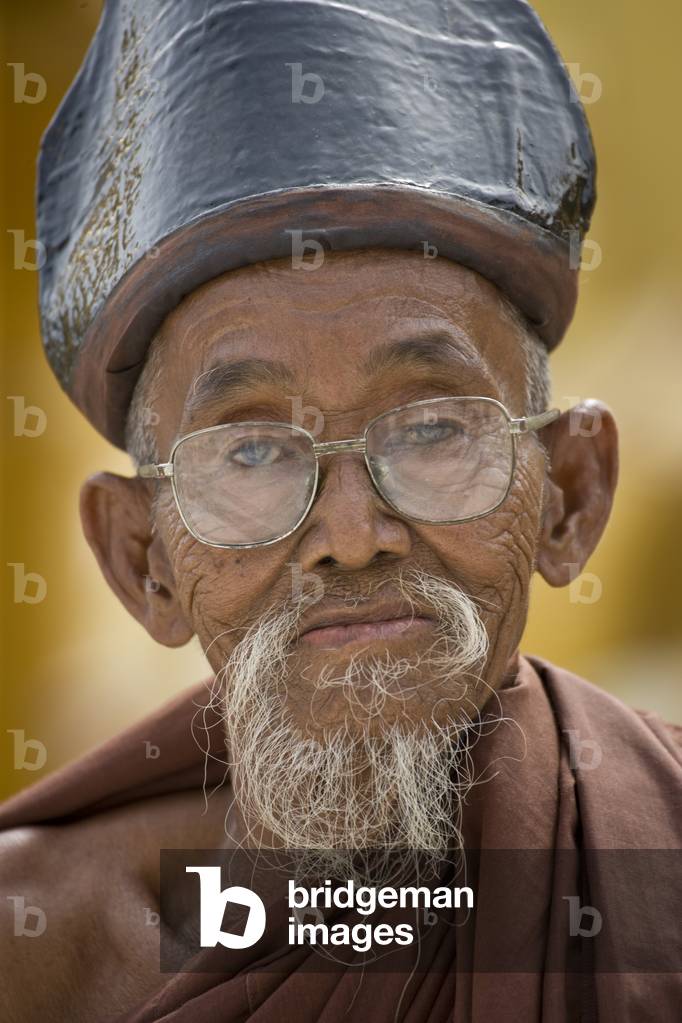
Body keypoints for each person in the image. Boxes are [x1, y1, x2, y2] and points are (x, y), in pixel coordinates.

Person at [1, 2, 679, 1021]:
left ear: (569, 497)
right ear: (140, 558)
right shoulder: (37, 942)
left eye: (435, 430)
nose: (353, 536)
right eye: (255, 452)